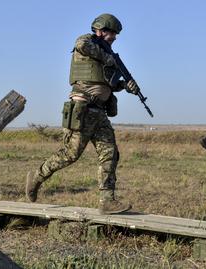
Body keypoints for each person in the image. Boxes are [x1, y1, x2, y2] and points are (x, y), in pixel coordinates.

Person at [26, 13, 140, 214]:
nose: (114, 37)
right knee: (70, 154)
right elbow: (80, 44)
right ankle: (36, 176)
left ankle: (107, 201)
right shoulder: (87, 42)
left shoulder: (107, 56)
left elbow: (107, 85)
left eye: (115, 34)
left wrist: (124, 85)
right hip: (83, 109)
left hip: (100, 113)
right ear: (100, 30)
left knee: (109, 153)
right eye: (111, 32)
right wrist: (108, 58)